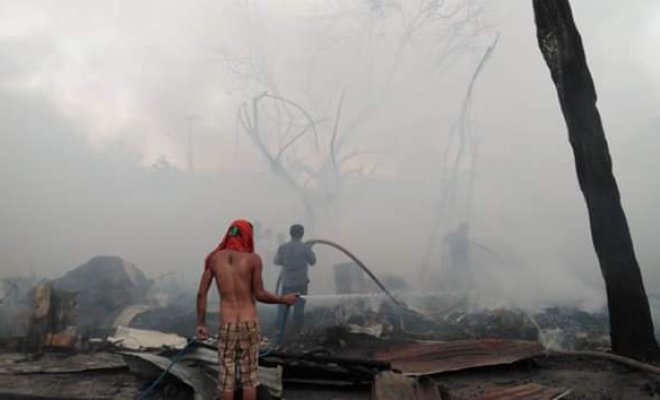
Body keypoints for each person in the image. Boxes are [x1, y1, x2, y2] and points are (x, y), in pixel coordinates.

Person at [196, 219, 298, 400]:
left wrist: (201, 323)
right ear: (247, 235)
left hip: (227, 324)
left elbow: (201, 294)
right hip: (248, 323)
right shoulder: (253, 259)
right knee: (249, 378)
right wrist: (284, 299)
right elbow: (259, 293)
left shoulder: (214, 259)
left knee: (226, 378)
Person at [273, 224, 316, 332]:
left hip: (287, 283)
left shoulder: (283, 247)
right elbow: (313, 261)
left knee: (283, 307)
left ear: (290, 233)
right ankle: (296, 331)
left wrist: (288, 261)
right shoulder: (306, 248)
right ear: (302, 234)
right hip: (301, 283)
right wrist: (308, 250)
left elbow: (276, 261)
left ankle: (279, 328)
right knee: (299, 308)